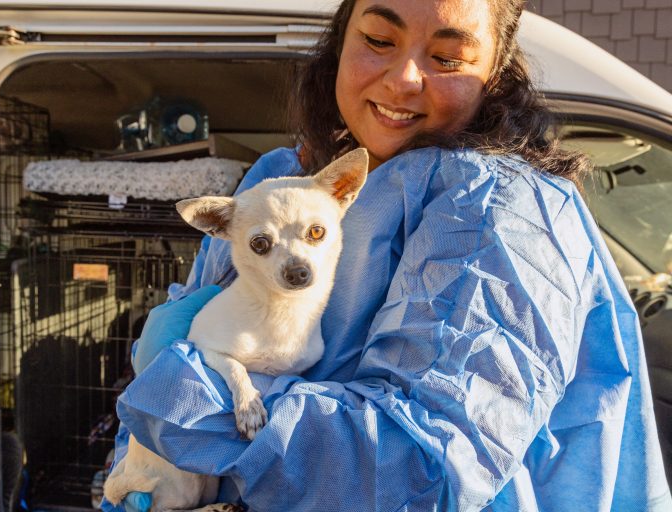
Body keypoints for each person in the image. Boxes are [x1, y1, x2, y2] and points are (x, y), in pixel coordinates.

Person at [105, 0, 671, 510]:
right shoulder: (282, 177)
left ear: (494, 71)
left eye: (448, 56)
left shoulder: (499, 212)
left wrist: (184, 397)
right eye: (379, 40)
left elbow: (421, 468)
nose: (403, 80)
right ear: (339, 42)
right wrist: (137, 472)